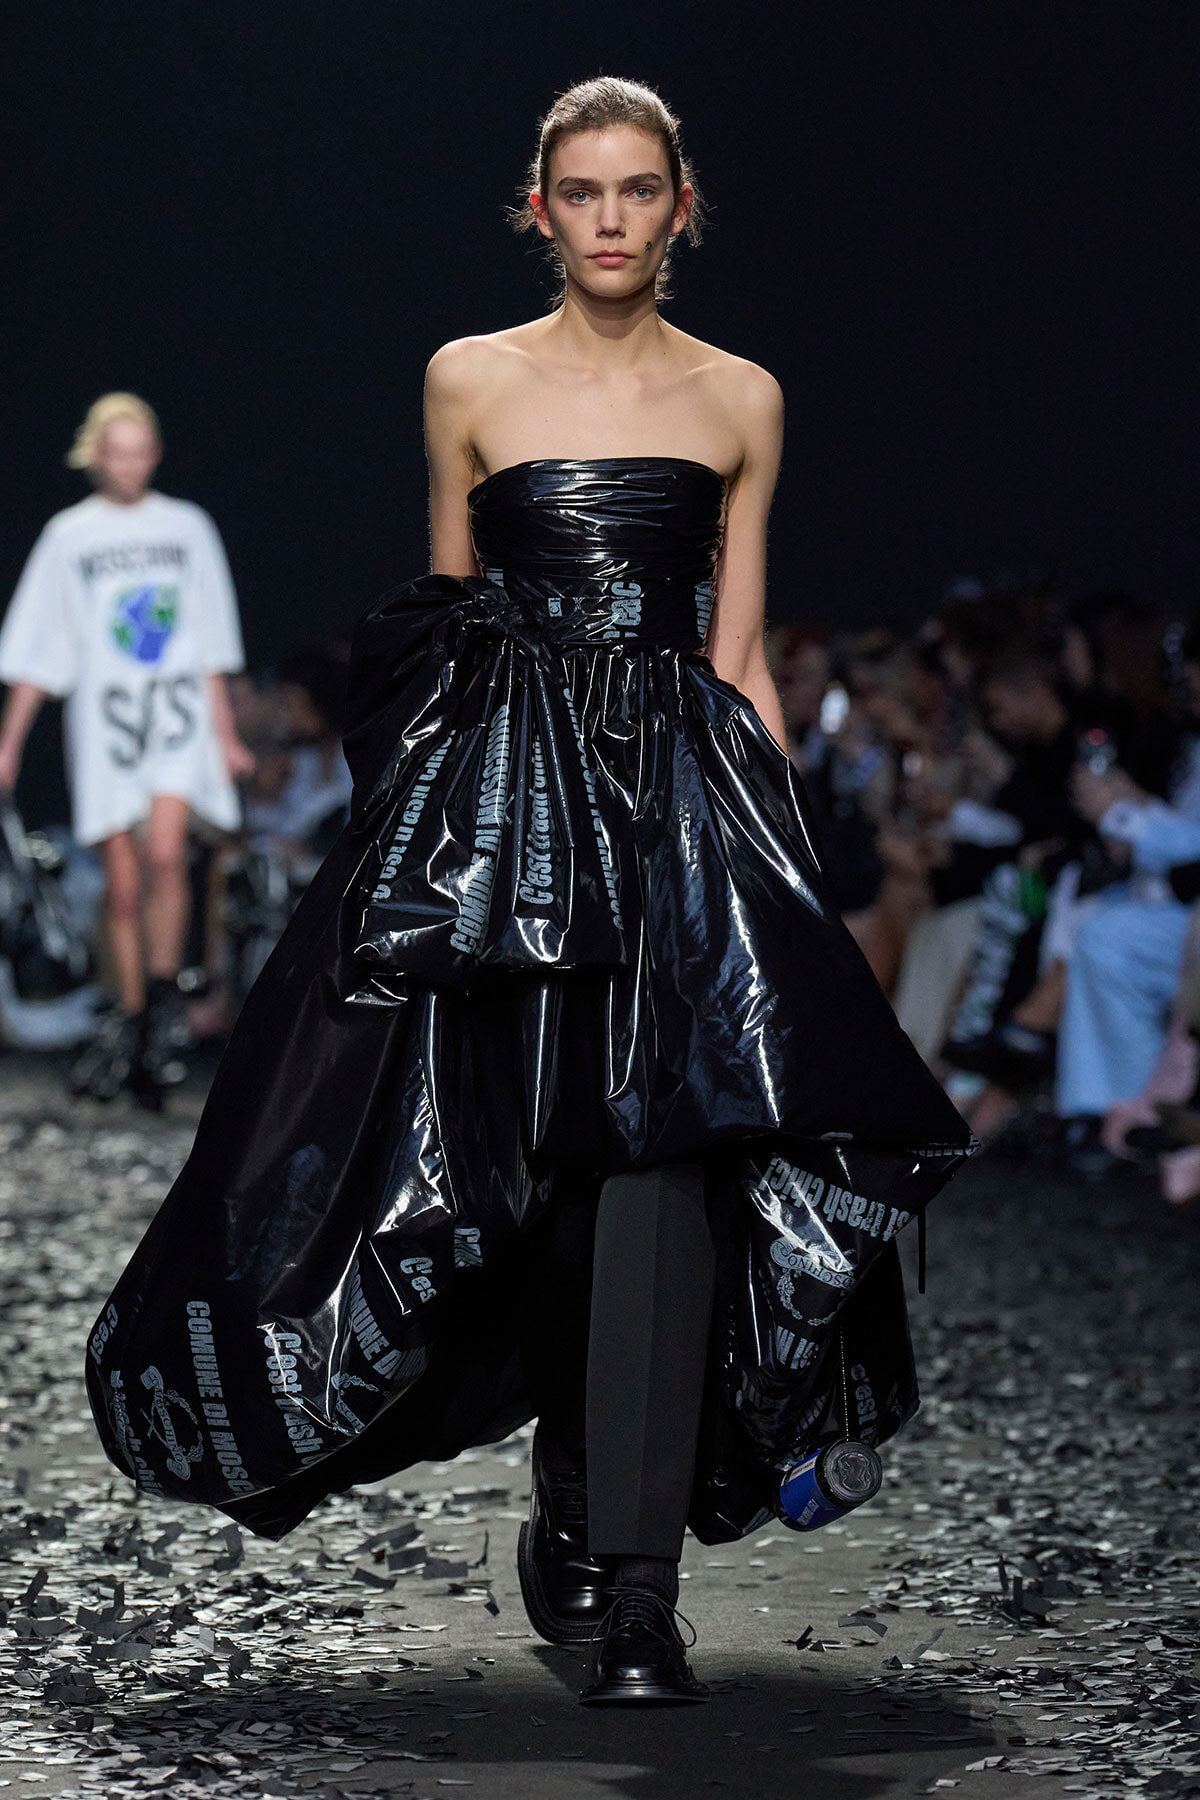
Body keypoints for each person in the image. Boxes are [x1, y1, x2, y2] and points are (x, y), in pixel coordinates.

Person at [86, 79, 972, 1704]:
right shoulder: (468, 381)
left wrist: (784, 896)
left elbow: (742, 658)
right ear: (540, 208)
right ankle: (572, 1479)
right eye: (584, 191)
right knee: (515, 1184)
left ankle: (640, 1591)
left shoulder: (743, 400)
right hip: (507, 825)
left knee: (665, 1173)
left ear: (679, 207)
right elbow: (443, 625)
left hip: (686, 816)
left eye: (641, 190)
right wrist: (395, 861)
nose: (613, 217)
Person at [0, 393, 253, 1104]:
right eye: (119, 450)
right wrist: (10, 741)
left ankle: (163, 1010)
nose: (131, 462)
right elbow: (40, 645)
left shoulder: (186, 527)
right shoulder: (68, 535)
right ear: (95, 454)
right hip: (105, 721)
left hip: (176, 717)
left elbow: (207, 636)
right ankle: (132, 1018)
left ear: (155, 453)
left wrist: (227, 735)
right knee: (122, 881)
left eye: (142, 449)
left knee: (168, 853)